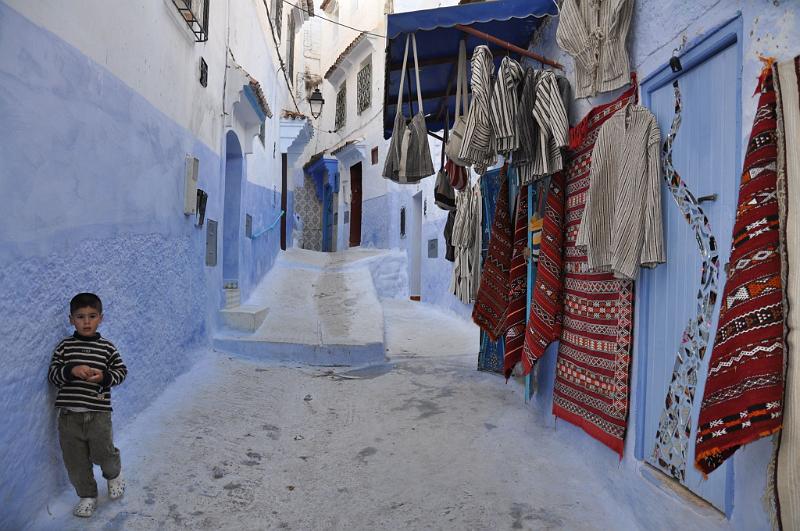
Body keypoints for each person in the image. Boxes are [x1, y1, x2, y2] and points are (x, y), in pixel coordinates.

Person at [47, 293, 128, 518]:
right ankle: (87, 496)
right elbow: (53, 375)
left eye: (92, 316)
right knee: (75, 462)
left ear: (101, 318)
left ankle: (114, 475)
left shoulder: (107, 348)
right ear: (71, 319)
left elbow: (121, 372)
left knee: (104, 454)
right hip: (69, 418)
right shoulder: (65, 347)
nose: (86, 322)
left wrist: (104, 377)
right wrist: (71, 370)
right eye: (80, 316)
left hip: (98, 414)